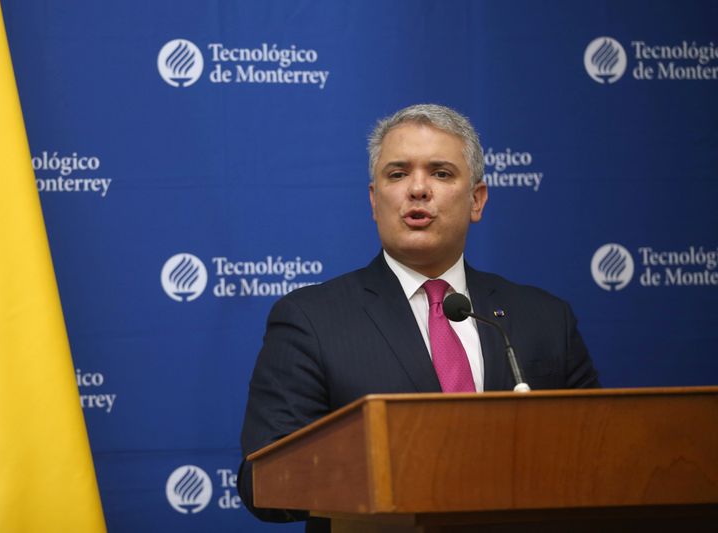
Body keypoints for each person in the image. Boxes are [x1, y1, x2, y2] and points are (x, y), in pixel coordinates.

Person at [238, 103, 600, 530]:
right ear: (374, 201)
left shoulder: (543, 317)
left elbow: (595, 457)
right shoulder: (310, 320)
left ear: (477, 200)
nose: (418, 189)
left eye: (441, 173)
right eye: (397, 174)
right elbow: (262, 484)